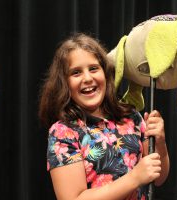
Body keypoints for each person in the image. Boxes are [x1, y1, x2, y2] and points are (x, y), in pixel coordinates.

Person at [38, 33, 170, 200]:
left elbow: (158, 178)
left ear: (106, 74)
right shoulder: (63, 132)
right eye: (76, 72)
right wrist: (135, 177)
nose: (87, 78)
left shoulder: (132, 117)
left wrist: (160, 144)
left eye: (93, 68)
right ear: (64, 83)